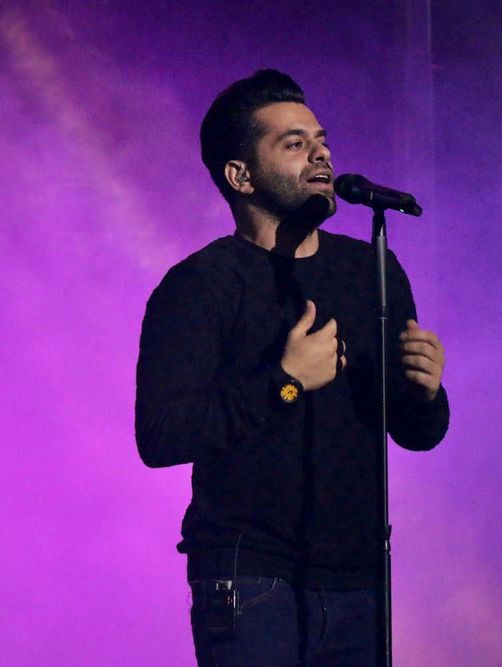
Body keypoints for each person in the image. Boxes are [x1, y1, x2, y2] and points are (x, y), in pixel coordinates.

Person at [135, 69, 449, 666]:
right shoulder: (199, 286)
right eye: (295, 143)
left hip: (360, 578)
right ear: (241, 175)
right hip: (251, 578)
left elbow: (416, 433)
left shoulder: (370, 270)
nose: (321, 154)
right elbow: (161, 435)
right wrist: (285, 383)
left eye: (322, 140)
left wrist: (425, 391)